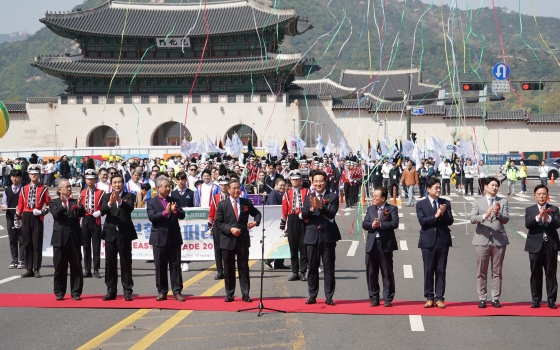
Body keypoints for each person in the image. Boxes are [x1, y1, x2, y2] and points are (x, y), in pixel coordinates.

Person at [214, 178, 261, 302]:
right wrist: (230, 229)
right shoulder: (222, 204)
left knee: (243, 267)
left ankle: (245, 294)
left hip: (242, 240)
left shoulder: (246, 203)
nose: (236, 190)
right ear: (228, 190)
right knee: (228, 268)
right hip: (227, 240)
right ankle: (229, 293)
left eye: (238, 188)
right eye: (233, 188)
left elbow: (257, 213)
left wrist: (255, 222)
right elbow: (218, 223)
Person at [469, 177, 509, 308]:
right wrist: (485, 215)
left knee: (497, 272)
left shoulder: (502, 201)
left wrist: (498, 214)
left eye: (496, 186)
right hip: (482, 239)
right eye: (492, 185)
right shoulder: (478, 201)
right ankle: (482, 298)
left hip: (499, 240)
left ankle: (495, 298)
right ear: (485, 187)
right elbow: (472, 219)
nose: (495, 187)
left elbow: (506, 219)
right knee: (481, 271)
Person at [302, 170, 340, 306]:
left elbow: (331, 214)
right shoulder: (308, 197)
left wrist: (320, 206)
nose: (318, 184)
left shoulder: (333, 197)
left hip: (328, 236)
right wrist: (312, 209)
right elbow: (304, 214)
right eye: (316, 181)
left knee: (329, 268)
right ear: (312, 182)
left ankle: (329, 296)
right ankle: (312, 295)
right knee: (312, 267)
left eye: (321, 181)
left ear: (325, 182)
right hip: (312, 236)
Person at [147, 176, 186, 302]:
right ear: (158, 188)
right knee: (160, 266)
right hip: (159, 238)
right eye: (165, 186)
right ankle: (162, 291)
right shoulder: (152, 202)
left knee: (175, 266)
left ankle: (177, 291)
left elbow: (183, 215)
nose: (168, 188)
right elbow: (152, 217)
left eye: (169, 186)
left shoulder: (175, 200)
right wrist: (165, 212)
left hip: (173, 237)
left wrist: (174, 212)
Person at [416, 178, 454, 308]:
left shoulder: (445, 203)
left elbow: (450, 221)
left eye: (439, 187)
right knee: (428, 269)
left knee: (440, 270)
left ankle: (439, 298)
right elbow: (423, 221)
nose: (438, 190)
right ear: (428, 189)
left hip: (442, 240)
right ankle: (429, 297)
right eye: (436, 187)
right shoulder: (421, 204)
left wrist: (443, 214)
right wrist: (436, 215)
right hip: (427, 240)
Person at [100, 174, 138, 301]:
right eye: (115, 182)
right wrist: (110, 203)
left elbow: (130, 208)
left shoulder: (129, 195)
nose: (117, 185)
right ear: (111, 184)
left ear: (123, 183)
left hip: (124, 234)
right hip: (110, 233)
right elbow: (103, 211)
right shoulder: (106, 196)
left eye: (119, 182)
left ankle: (127, 290)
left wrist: (120, 201)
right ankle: (111, 290)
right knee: (110, 263)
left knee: (126, 263)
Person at [524, 184, 560, 309]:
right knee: (536, 273)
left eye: (544, 194)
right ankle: (536, 299)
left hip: (550, 245)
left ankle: (551, 300)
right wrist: (539, 217)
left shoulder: (554, 209)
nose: (542, 196)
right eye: (539, 194)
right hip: (535, 246)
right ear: (535, 196)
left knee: (551, 273)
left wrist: (547, 217)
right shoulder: (530, 210)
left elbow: (557, 224)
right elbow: (528, 225)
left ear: (547, 195)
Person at [362, 187, 399, 307]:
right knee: (371, 271)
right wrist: (373, 225)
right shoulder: (370, 209)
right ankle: (374, 297)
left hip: (385, 243)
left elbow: (394, 223)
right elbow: (365, 224)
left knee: (386, 271)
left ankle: (388, 297)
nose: (373, 198)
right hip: (372, 243)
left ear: (383, 198)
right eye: (373, 196)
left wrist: (381, 224)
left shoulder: (392, 208)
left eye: (376, 197)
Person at [49, 179, 85, 300]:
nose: (69, 189)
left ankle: (76, 292)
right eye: (67, 187)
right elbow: (56, 214)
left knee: (76, 266)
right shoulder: (54, 202)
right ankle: (59, 291)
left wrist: (79, 205)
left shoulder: (75, 201)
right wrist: (64, 204)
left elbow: (81, 213)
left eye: (70, 187)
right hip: (60, 238)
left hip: (74, 238)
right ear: (59, 190)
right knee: (60, 266)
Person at [15, 164, 51, 278]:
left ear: (40, 175)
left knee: (37, 243)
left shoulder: (44, 188)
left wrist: (41, 212)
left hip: (37, 217)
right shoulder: (23, 188)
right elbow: (20, 205)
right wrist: (17, 217)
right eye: (31, 174)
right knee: (26, 243)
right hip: (26, 215)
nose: (33, 176)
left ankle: (36, 268)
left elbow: (49, 205)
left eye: (36, 174)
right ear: (29, 175)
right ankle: (28, 268)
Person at [281, 170, 309, 282]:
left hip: (303, 219)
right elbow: (284, 210)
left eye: (297, 179)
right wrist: (283, 227)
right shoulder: (287, 193)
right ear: (290, 180)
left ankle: (303, 271)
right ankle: (294, 272)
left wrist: (306, 215)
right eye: (293, 179)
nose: (295, 181)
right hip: (292, 220)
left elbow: (309, 206)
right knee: (293, 248)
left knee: (303, 247)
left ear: (301, 180)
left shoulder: (307, 192)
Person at [80, 169, 105, 279]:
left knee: (96, 245)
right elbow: (79, 208)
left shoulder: (101, 192)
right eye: (88, 179)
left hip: (95, 219)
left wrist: (100, 212)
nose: (90, 181)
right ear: (85, 180)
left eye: (92, 179)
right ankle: (87, 269)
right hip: (85, 218)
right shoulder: (82, 192)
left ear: (95, 179)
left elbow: (105, 206)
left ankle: (96, 269)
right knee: (86, 245)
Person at [208, 176, 230, 280]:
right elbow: (212, 212)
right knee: (217, 249)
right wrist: (210, 224)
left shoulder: (232, 196)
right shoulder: (215, 197)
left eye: (226, 184)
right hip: (218, 225)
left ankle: (228, 270)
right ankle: (220, 271)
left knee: (229, 248)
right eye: (221, 185)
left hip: (229, 225)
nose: (224, 187)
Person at [2, 170, 24, 269]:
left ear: (20, 178)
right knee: (12, 239)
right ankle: (14, 260)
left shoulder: (24, 189)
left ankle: (21, 260)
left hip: (22, 217)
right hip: (10, 217)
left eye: (16, 177)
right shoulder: (7, 190)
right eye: (12, 177)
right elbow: (4, 202)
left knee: (22, 239)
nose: (14, 179)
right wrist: (4, 206)